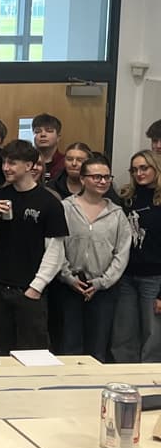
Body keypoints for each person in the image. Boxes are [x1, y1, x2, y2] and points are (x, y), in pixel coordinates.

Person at [0, 140, 68, 355]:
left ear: (29, 166)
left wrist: (36, 287)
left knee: (32, 354)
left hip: (29, 290)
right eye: (4, 162)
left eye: (12, 163)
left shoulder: (49, 202)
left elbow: (56, 251)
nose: (5, 167)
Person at [58, 155, 130, 362]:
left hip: (102, 288)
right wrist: (67, 277)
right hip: (70, 285)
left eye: (107, 177)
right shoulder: (65, 208)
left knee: (98, 348)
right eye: (97, 177)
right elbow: (55, 246)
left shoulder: (117, 214)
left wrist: (102, 282)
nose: (102, 181)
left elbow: (122, 253)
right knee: (69, 346)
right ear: (82, 179)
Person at [112, 150, 161, 362]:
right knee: (123, 332)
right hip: (127, 275)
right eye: (134, 169)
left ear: (156, 168)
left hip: (154, 278)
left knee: (152, 334)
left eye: (144, 168)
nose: (139, 173)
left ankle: (149, 381)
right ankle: (123, 377)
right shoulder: (126, 198)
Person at [33, 113, 65, 183]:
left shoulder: (65, 162)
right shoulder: (27, 161)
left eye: (49, 131)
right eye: (38, 131)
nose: (43, 134)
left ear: (58, 137)